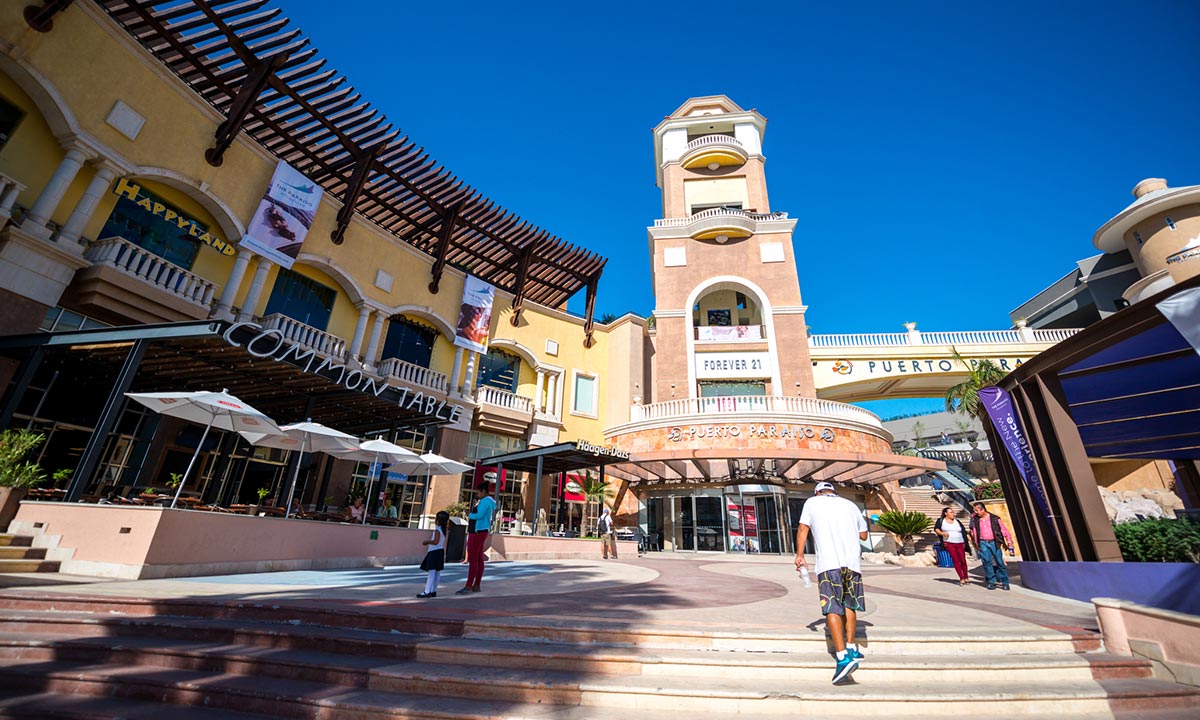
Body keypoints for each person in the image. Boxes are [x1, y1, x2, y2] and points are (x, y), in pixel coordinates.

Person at [794, 481, 868, 685]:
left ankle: (843, 657)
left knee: (832, 609)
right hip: (852, 564)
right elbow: (863, 535)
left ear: (818, 492)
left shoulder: (812, 502)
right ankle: (852, 647)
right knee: (850, 605)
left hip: (829, 563)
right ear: (833, 491)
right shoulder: (850, 505)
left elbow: (802, 528)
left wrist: (800, 555)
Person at [457, 484, 496, 594]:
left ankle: (469, 585)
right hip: (480, 530)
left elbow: (479, 515)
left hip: (477, 531)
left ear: (483, 491)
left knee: (473, 558)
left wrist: (470, 515)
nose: (477, 495)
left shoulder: (485, 501)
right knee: (478, 558)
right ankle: (476, 584)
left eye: (478, 493)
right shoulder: (488, 501)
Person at [969, 502, 1014, 590]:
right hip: (983, 542)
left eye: (977, 510)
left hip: (994, 542)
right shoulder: (976, 520)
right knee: (987, 562)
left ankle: (1005, 582)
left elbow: (1004, 530)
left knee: (999, 562)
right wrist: (977, 544)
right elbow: (974, 532)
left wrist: (1009, 541)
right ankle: (991, 581)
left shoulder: (994, 518)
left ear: (982, 509)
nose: (975, 512)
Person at [934, 507, 971, 586]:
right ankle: (961, 578)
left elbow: (964, 531)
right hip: (949, 543)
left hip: (960, 542)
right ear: (946, 513)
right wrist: (943, 534)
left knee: (963, 560)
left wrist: (969, 541)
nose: (953, 514)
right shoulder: (941, 521)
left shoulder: (957, 521)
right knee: (956, 560)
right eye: (951, 512)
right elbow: (936, 529)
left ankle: (966, 576)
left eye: (953, 512)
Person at [417, 511, 449, 598]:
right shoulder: (444, 530)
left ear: (438, 520)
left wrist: (427, 542)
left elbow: (435, 542)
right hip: (440, 551)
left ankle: (427, 591)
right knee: (437, 572)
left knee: (431, 572)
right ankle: (433, 590)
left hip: (434, 551)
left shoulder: (438, 530)